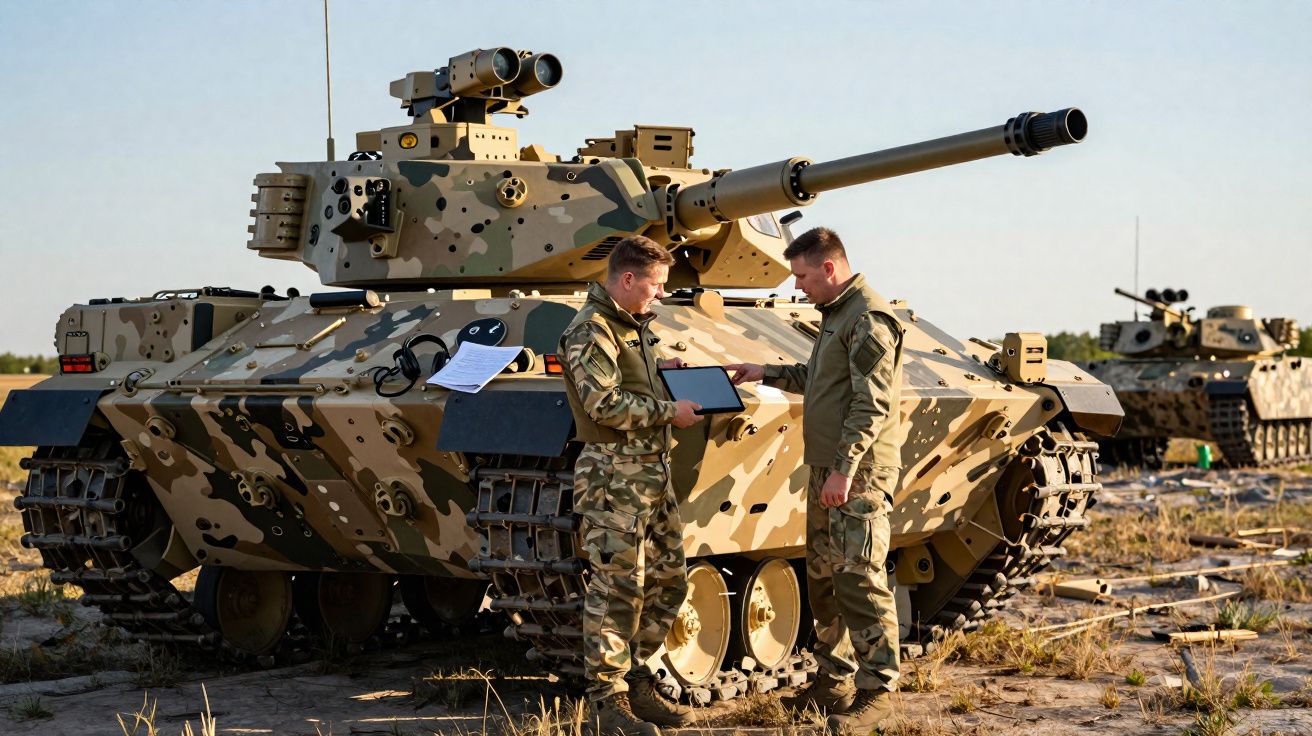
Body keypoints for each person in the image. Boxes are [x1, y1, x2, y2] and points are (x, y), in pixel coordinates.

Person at [725, 227, 903, 734]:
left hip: (858, 470)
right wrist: (763, 370)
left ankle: (878, 691)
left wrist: (846, 469)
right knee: (825, 578)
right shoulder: (837, 314)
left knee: (861, 579)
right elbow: (820, 379)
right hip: (830, 466)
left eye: (802, 276)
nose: (797, 287)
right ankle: (834, 681)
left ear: (829, 267)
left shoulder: (867, 318)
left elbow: (873, 403)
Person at [558, 235, 705, 736]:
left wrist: (664, 376)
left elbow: (628, 385)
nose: (661, 294)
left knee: (667, 583)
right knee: (617, 588)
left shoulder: (632, 327)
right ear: (626, 279)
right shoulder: (590, 331)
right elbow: (604, 405)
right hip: (613, 479)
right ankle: (607, 697)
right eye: (656, 285)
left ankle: (635, 677)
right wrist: (671, 411)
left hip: (651, 476)